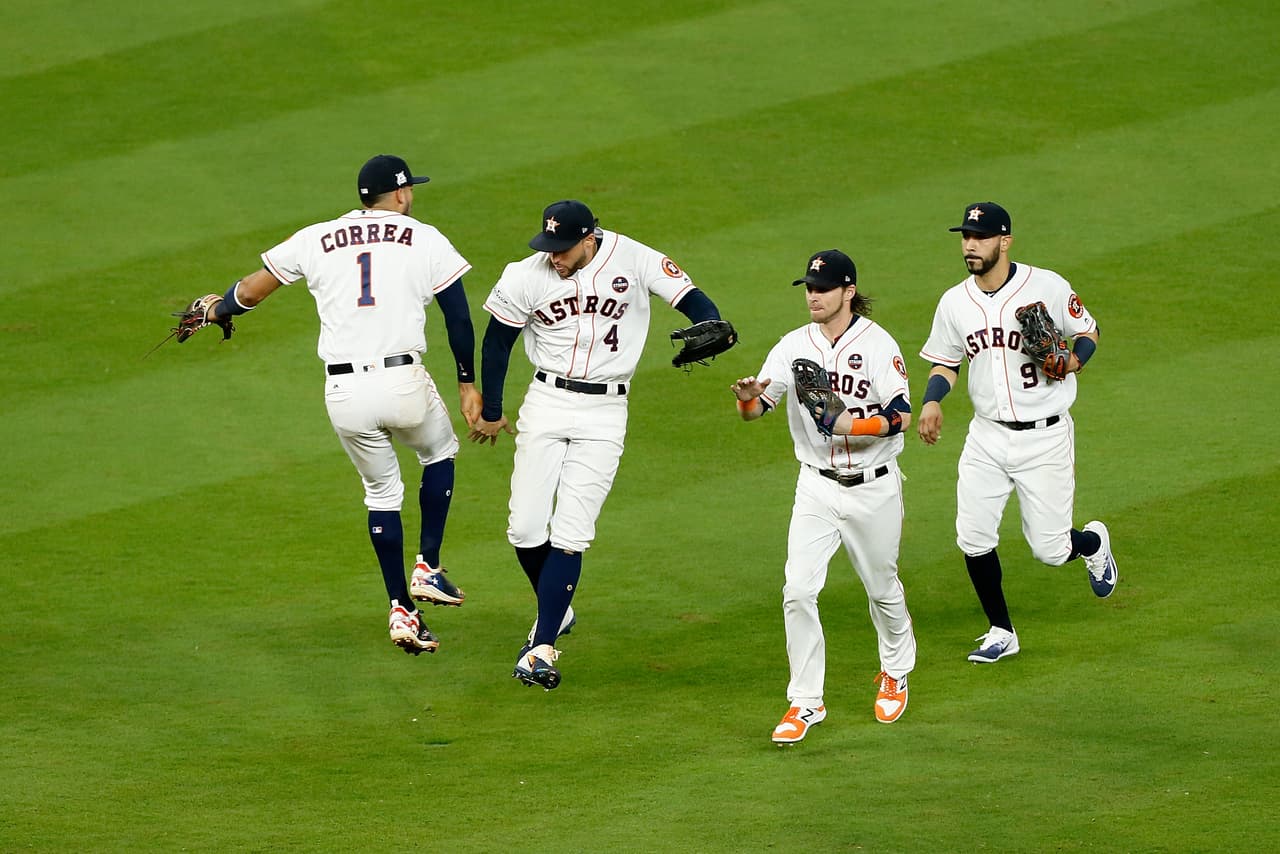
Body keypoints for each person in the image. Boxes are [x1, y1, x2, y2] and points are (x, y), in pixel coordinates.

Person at [189, 154, 479, 655]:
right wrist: (467, 383)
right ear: (402, 193)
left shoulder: (316, 237)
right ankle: (427, 566)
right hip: (402, 380)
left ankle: (400, 611)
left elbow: (255, 290)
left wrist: (219, 308)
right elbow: (458, 318)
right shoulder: (425, 237)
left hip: (343, 393)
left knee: (381, 493)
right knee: (437, 453)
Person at [468, 199, 731, 690]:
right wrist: (492, 408)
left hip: (606, 413)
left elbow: (688, 294)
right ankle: (558, 609)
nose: (554, 256)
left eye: (563, 248)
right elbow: (497, 341)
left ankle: (541, 645)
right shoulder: (525, 275)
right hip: (545, 401)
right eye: (548, 246)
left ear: (590, 238)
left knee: (571, 530)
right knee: (524, 528)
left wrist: (709, 318)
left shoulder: (633, 258)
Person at [918, 201, 1119, 664]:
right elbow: (947, 361)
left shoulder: (1046, 285)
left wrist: (1073, 360)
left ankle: (1092, 543)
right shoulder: (954, 302)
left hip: (1044, 437)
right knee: (972, 537)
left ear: (1004, 241)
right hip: (986, 437)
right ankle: (1001, 630)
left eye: (980, 237)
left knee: (1050, 550)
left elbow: (1088, 330)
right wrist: (931, 400)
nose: (970, 245)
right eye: (965, 236)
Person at [731, 249, 917, 743]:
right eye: (809, 288)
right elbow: (755, 412)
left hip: (874, 486)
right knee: (798, 589)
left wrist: (853, 424)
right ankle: (805, 701)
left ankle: (895, 670)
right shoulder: (793, 345)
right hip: (815, 485)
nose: (813, 296)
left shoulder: (877, 345)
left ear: (848, 292)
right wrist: (748, 396)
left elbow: (901, 414)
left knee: (881, 588)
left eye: (822, 288)